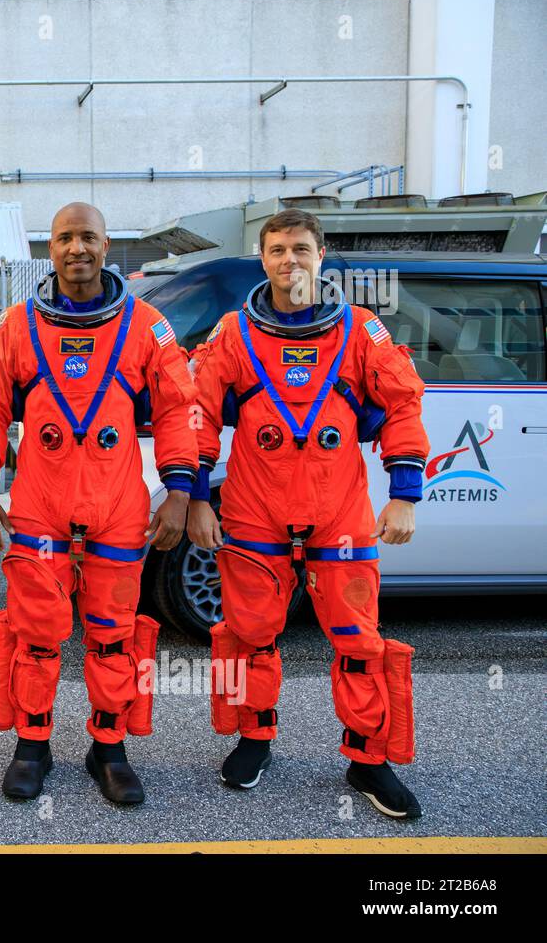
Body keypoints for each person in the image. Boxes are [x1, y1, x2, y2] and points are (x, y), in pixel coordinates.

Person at [186, 208, 428, 819]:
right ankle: (255, 738)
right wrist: (192, 497)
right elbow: (197, 414)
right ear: (261, 259)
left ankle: (368, 757)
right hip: (255, 511)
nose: (288, 260)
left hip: (338, 512)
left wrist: (403, 492)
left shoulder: (360, 331)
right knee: (249, 635)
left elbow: (403, 404)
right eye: (276, 250)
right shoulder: (233, 334)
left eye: (299, 248)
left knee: (357, 638)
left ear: (320, 256)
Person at [0, 203, 200, 804]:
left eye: (87, 237)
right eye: (65, 238)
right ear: (50, 248)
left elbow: (177, 409)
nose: (77, 248)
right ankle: (32, 743)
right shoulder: (16, 326)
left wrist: (179, 493)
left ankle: (110, 747)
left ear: (106, 244)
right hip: (40, 503)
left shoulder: (147, 325)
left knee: (113, 635)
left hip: (118, 504)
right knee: (37, 634)